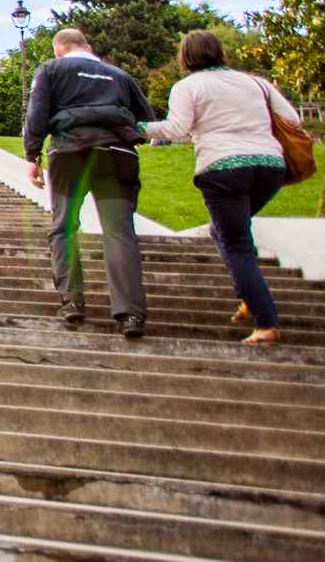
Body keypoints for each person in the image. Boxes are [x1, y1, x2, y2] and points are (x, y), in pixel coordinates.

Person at [142, 30, 300, 346]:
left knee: (235, 242)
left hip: (224, 168)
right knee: (227, 232)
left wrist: (137, 126)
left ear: (185, 57)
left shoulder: (188, 86)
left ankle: (266, 322)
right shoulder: (255, 83)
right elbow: (293, 119)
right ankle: (249, 294)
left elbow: (176, 129)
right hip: (269, 166)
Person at [25, 27, 155, 338]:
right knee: (120, 231)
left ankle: (72, 301)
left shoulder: (51, 69)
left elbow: (37, 113)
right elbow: (146, 118)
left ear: (59, 50)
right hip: (117, 153)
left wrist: (32, 155)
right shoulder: (118, 75)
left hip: (70, 152)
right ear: (89, 46)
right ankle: (130, 316)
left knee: (64, 226)